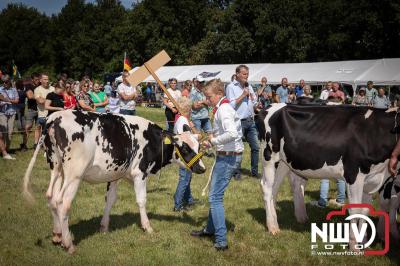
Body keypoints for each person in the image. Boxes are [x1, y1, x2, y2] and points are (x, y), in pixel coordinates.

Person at [190, 79, 243, 251]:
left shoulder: (224, 109)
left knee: (215, 198)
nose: (207, 100)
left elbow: (232, 133)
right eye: (206, 96)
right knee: (215, 195)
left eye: (209, 96)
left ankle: (221, 241)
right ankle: (210, 229)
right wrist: (212, 141)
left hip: (228, 157)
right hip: (227, 155)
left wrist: (213, 141)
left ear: (219, 94)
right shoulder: (222, 108)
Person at [225, 65, 259, 178]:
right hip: (238, 122)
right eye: (244, 74)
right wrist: (243, 95)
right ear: (237, 74)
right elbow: (231, 104)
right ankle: (236, 173)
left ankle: (254, 173)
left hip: (250, 120)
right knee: (237, 148)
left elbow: (254, 100)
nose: (246, 76)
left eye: (247, 74)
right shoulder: (231, 87)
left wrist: (255, 103)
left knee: (256, 147)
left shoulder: (248, 86)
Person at [173, 97, 196, 212]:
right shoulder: (182, 120)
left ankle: (189, 199)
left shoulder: (183, 119)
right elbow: (184, 138)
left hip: (186, 152)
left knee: (188, 177)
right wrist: (197, 137)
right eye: (190, 108)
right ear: (187, 108)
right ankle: (178, 204)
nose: (191, 110)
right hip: (184, 154)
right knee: (184, 178)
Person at [0, 75, 19, 159]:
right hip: (2, 112)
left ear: (9, 81)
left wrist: (6, 100)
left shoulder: (14, 89)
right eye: (3, 82)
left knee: (10, 133)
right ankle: (3, 151)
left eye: (6, 82)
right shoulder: (0, 89)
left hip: (12, 112)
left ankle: (7, 149)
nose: (5, 83)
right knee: (4, 132)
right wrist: (5, 102)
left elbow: (17, 100)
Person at [34, 73, 55, 140]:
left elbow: (57, 100)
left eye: (48, 79)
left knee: (51, 132)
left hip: (52, 114)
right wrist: (51, 100)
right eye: (45, 79)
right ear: (40, 80)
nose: (47, 81)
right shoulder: (37, 89)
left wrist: (44, 99)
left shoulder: (53, 88)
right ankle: (36, 144)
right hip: (42, 115)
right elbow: (40, 101)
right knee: (39, 129)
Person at [24, 72, 41, 149]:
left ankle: (36, 144)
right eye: (36, 79)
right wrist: (39, 97)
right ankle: (24, 144)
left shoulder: (40, 86)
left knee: (38, 127)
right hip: (31, 109)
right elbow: (30, 96)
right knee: (28, 127)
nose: (38, 81)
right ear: (32, 79)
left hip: (40, 110)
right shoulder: (28, 86)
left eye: (38, 79)